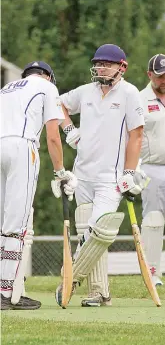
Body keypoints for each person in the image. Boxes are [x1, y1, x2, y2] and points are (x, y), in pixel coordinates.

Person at [56, 44, 146, 307]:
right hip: (82, 174)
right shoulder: (86, 92)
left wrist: (129, 172)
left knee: (98, 232)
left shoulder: (129, 93)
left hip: (110, 177)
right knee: (87, 231)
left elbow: (137, 134)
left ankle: (68, 279)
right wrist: (70, 129)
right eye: (97, 63)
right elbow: (58, 103)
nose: (100, 68)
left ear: (122, 67)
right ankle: (99, 292)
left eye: (107, 63)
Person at [0, 61, 77, 310]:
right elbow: (53, 136)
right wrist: (61, 173)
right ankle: (7, 292)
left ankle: (9, 288)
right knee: (17, 224)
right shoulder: (46, 86)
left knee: (3, 221)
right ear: (48, 76)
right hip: (23, 147)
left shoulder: (7, 88)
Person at [140, 54, 165, 286]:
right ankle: (152, 274)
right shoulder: (139, 98)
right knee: (153, 220)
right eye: (161, 76)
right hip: (152, 168)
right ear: (149, 75)